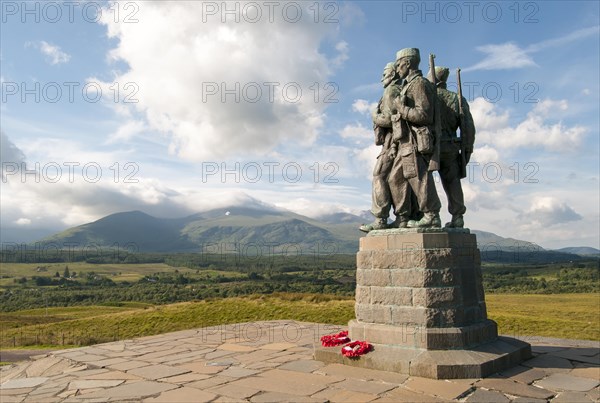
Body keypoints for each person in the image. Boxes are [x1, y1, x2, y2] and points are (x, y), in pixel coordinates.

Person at [387, 47, 442, 228]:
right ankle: (402, 217)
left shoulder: (419, 84)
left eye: (399, 64)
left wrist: (401, 108)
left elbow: (424, 114)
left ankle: (431, 214)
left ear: (408, 63)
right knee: (395, 179)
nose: (397, 68)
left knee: (419, 177)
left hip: (415, 140)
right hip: (405, 140)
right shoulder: (408, 85)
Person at [359, 63, 402, 232]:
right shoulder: (400, 89)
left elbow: (392, 119)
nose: (381, 78)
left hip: (393, 142)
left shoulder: (391, 91)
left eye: (384, 74)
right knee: (397, 179)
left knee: (379, 175)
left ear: (392, 74)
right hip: (397, 142)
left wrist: (375, 116)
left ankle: (381, 218)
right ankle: (402, 216)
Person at [433, 66, 476, 228]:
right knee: (452, 182)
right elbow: (468, 128)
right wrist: (467, 149)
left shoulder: (430, 97)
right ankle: (457, 216)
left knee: (425, 181)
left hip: (431, 147)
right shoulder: (457, 99)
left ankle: (429, 215)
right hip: (451, 146)